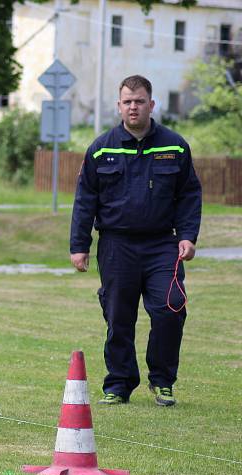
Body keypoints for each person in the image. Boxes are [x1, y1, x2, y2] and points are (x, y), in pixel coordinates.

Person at [70, 74, 202, 407]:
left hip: (162, 246)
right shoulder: (102, 148)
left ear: (151, 105)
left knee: (170, 308)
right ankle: (118, 383)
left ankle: (163, 382)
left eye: (139, 101)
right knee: (118, 316)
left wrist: (187, 236)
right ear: (119, 106)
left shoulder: (174, 146)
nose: (133, 107)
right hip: (116, 245)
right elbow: (85, 199)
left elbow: (189, 194)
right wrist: (79, 245)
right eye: (127, 101)